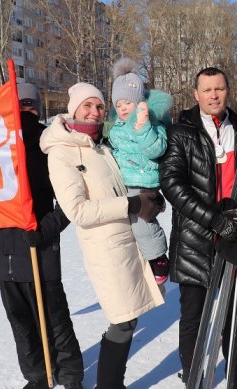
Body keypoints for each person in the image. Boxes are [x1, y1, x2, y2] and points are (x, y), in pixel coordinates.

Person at [41, 82, 166, 389]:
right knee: (123, 319)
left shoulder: (99, 145)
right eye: (88, 106)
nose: (94, 112)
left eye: (99, 106)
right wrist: (131, 203)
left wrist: (149, 198)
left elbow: (128, 179)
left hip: (129, 239)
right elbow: (77, 210)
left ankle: (115, 386)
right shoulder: (62, 151)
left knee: (131, 316)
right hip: (106, 247)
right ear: (73, 109)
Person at [159, 67, 237, 389]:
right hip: (196, 238)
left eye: (219, 88)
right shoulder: (181, 132)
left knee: (234, 316)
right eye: (206, 89)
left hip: (235, 235)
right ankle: (191, 383)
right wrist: (213, 219)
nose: (213, 95)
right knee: (194, 317)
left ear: (228, 90)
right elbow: (172, 185)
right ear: (196, 94)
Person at [0, 83, 85, 389]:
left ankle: (70, 375)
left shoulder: (49, 143)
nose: (24, 113)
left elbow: (72, 197)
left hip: (38, 244)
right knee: (20, 317)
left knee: (53, 313)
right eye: (19, 107)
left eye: (28, 107)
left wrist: (47, 228)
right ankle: (37, 374)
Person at [108, 57, 172, 285]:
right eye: (119, 104)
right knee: (127, 226)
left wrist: (143, 127)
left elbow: (156, 149)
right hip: (124, 181)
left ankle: (158, 258)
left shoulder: (152, 123)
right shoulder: (116, 127)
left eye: (128, 103)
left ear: (140, 102)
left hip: (144, 180)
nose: (123, 108)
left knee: (143, 222)